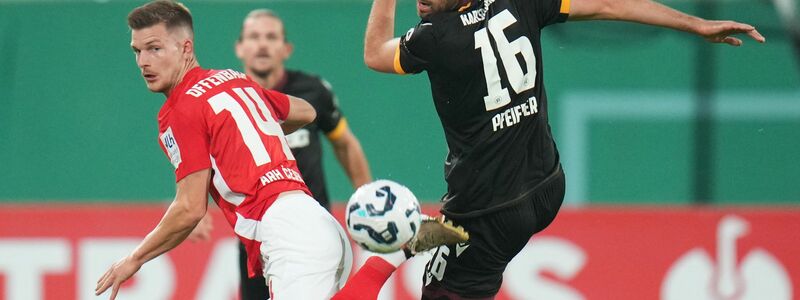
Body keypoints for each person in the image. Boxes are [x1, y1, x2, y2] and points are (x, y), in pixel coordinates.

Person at [363, 0, 765, 298]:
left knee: (442, 283)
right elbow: (608, 6)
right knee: (443, 243)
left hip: (489, 212)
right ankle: (410, 241)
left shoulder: (433, 37)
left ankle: (411, 243)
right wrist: (695, 24)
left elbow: (374, 53)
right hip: (547, 187)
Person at [95, 1, 351, 299]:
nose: (143, 62)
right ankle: (386, 262)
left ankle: (390, 259)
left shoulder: (180, 110)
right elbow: (305, 112)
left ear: (186, 48)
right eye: (137, 51)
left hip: (289, 237)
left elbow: (189, 208)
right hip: (320, 225)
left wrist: (134, 259)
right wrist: (247, 135)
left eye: (154, 48)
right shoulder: (235, 80)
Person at [233, 8, 372, 299]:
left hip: (312, 232)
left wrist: (366, 198)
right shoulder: (227, 99)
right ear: (240, 47)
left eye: (271, 37)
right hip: (255, 236)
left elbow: (344, 143)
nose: (262, 44)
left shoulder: (312, 92)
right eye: (254, 37)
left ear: (286, 49)